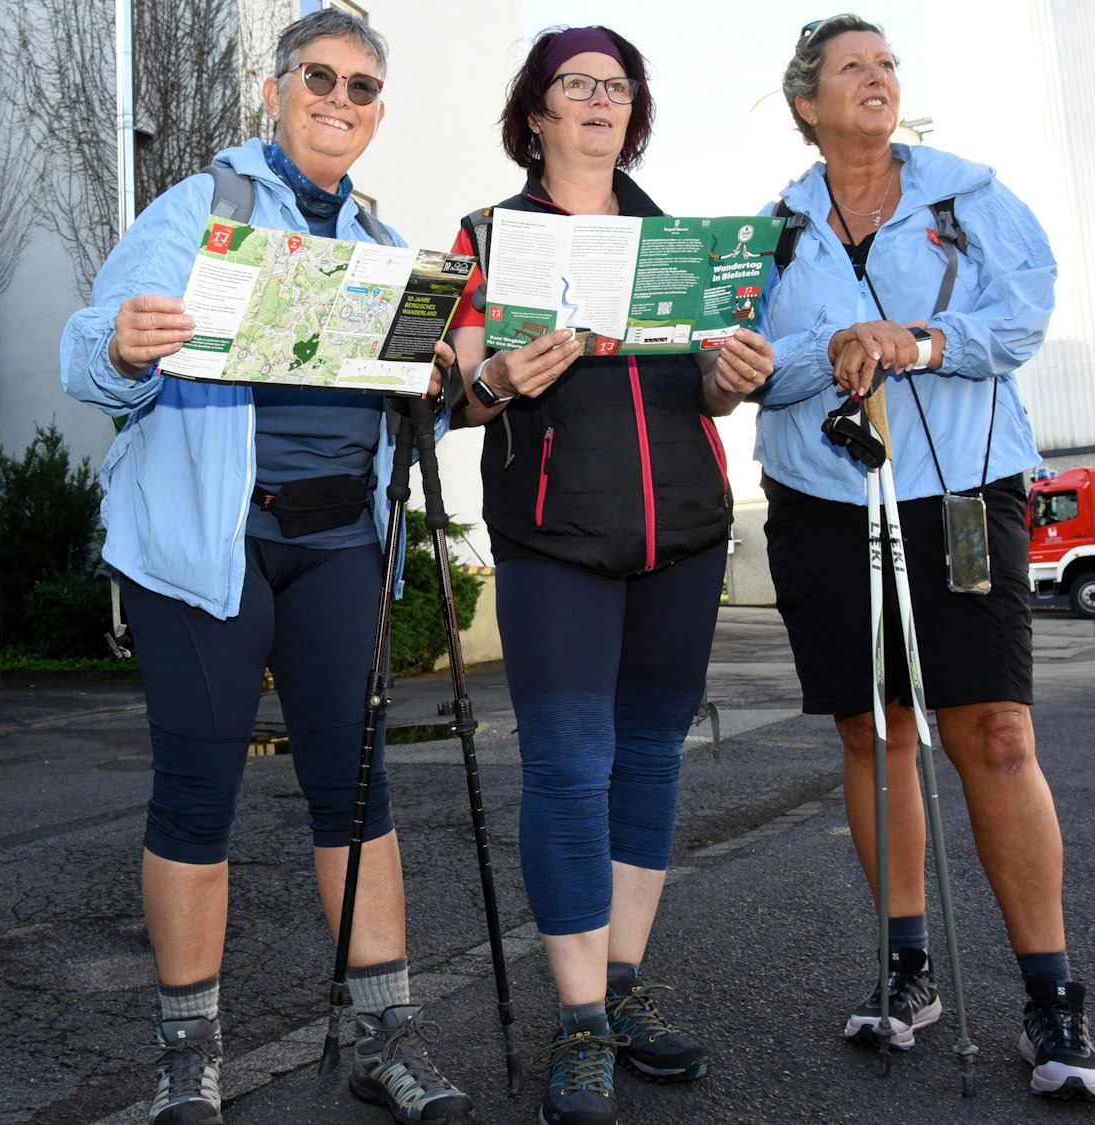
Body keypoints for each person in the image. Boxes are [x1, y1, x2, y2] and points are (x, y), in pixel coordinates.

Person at [59, 10, 470, 1125]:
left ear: (380, 110)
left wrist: (440, 384)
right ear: (278, 88)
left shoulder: (389, 251)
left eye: (365, 87)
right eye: (321, 78)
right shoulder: (200, 207)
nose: (341, 100)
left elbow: (417, 413)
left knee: (356, 792)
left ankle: (387, 1033)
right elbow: (86, 345)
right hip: (209, 545)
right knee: (198, 797)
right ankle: (184, 1059)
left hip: (340, 545)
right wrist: (119, 344)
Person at [751, 15, 1095, 1102]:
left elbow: (1021, 316)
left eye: (886, 63)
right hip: (823, 496)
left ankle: (1050, 999)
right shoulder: (768, 229)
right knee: (873, 735)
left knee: (992, 733)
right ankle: (906, 972)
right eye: (851, 66)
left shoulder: (967, 195)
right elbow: (751, 370)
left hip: (958, 492)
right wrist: (835, 351)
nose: (877, 77)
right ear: (805, 101)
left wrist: (918, 339)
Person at [445, 25, 774, 1124]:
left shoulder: (682, 242)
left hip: (680, 534)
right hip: (555, 542)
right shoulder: (485, 239)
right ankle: (578, 1020)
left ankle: (622, 986)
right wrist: (493, 374)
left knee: (646, 761)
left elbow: (708, 398)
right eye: (573, 85)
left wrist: (732, 376)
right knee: (567, 769)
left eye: (616, 88)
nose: (597, 101)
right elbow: (456, 396)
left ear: (635, 114)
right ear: (532, 113)